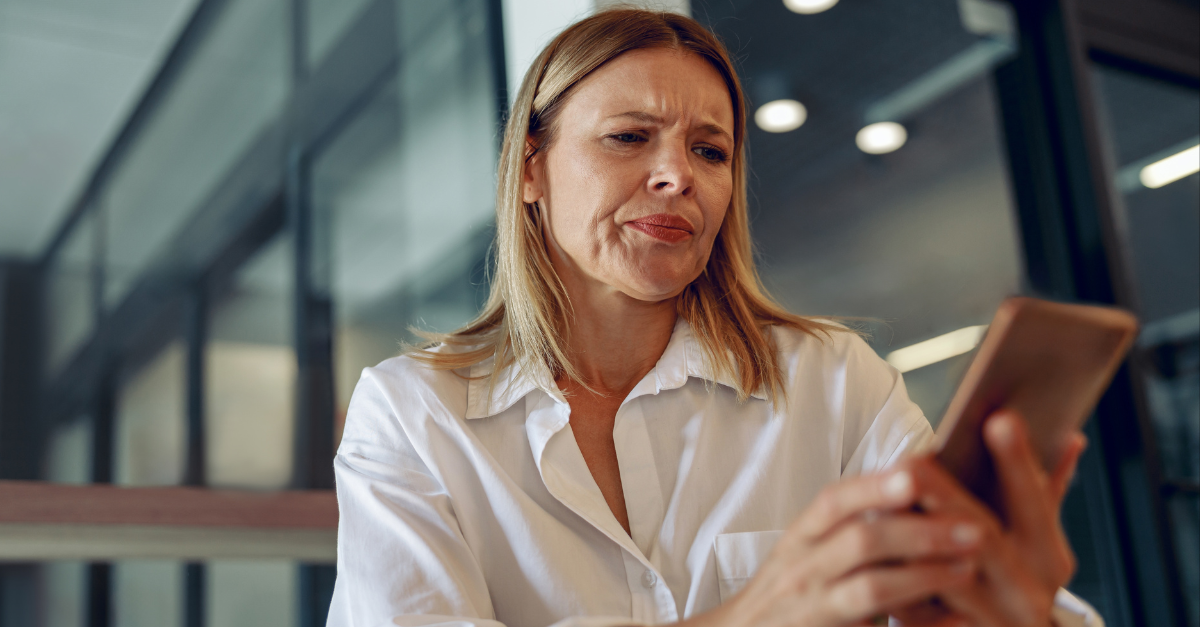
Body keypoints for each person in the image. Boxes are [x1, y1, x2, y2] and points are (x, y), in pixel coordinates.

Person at [327, 9, 1102, 627]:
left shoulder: (831, 380)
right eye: (629, 137)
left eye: (710, 150)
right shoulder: (411, 412)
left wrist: (1015, 608)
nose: (676, 176)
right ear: (531, 167)